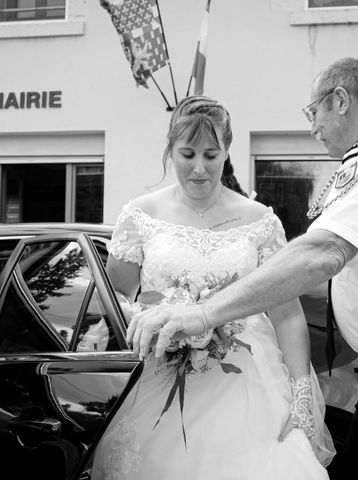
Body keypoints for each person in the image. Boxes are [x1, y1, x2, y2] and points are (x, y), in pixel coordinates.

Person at [127, 58, 358, 480]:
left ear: (339, 100)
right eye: (188, 153)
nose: (312, 127)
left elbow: (324, 252)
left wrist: (203, 313)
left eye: (314, 113)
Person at [90, 95, 334, 480]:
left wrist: (302, 393)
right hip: (161, 379)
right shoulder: (141, 215)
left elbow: (286, 312)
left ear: (226, 152)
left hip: (251, 384)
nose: (199, 168)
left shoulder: (260, 221)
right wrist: (158, 322)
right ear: (171, 149)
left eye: (211, 154)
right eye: (188, 154)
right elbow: (120, 302)